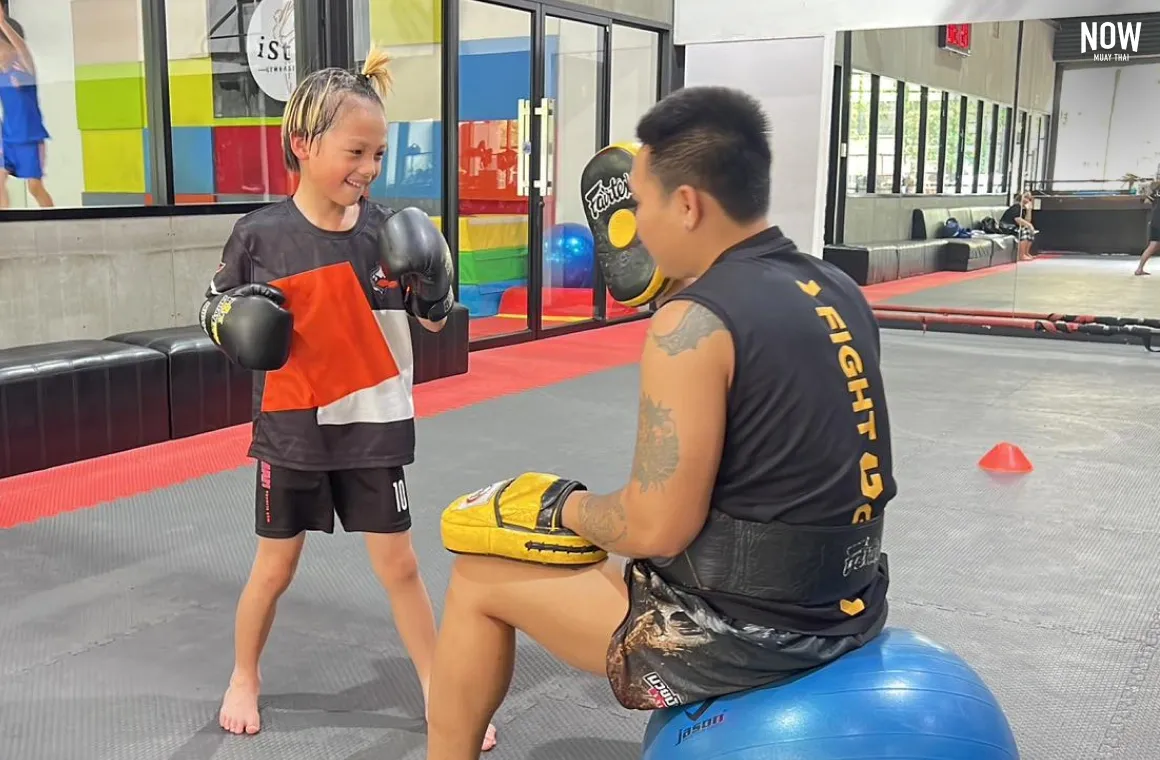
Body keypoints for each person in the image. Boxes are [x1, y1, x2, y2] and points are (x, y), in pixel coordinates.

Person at [425, 85, 896, 759]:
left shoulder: (694, 323)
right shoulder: (837, 289)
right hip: (851, 600)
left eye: (640, 204)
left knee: (479, 576)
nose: (635, 227)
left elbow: (655, 528)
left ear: (687, 204)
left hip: (744, 632)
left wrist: (562, 506)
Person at [202, 48, 497, 751]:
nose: (368, 169)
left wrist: (434, 279)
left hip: (372, 426)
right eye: (355, 150)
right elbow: (215, 311)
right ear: (303, 144)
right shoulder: (261, 235)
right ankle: (244, 673)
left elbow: (430, 322)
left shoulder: (389, 233)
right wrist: (233, 321)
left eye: (379, 154)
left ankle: (436, 684)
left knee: (401, 565)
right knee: (275, 567)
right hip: (293, 429)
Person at [0, 6, 53, 208]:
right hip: (8, 138)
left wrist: (3, 23)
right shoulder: (1, 76)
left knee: (35, 187)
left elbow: (23, 50)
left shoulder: (25, 71)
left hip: (30, 137)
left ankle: (53, 223)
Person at [1133, 180, 1160, 276]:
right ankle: (1139, 269)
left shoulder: (1157, 189)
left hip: (1155, 220)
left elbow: (1147, 201)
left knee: (1153, 246)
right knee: (1153, 246)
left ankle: (1139, 269)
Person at [999, 191, 1035, 261]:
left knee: (1029, 231)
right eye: (1026, 197)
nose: (1027, 200)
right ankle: (1021, 255)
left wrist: (1029, 210)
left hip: (1014, 227)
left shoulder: (1022, 209)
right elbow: (1018, 220)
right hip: (1006, 226)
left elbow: (1027, 221)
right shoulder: (1016, 207)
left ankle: (1026, 253)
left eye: (1029, 199)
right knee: (1024, 231)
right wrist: (1029, 225)